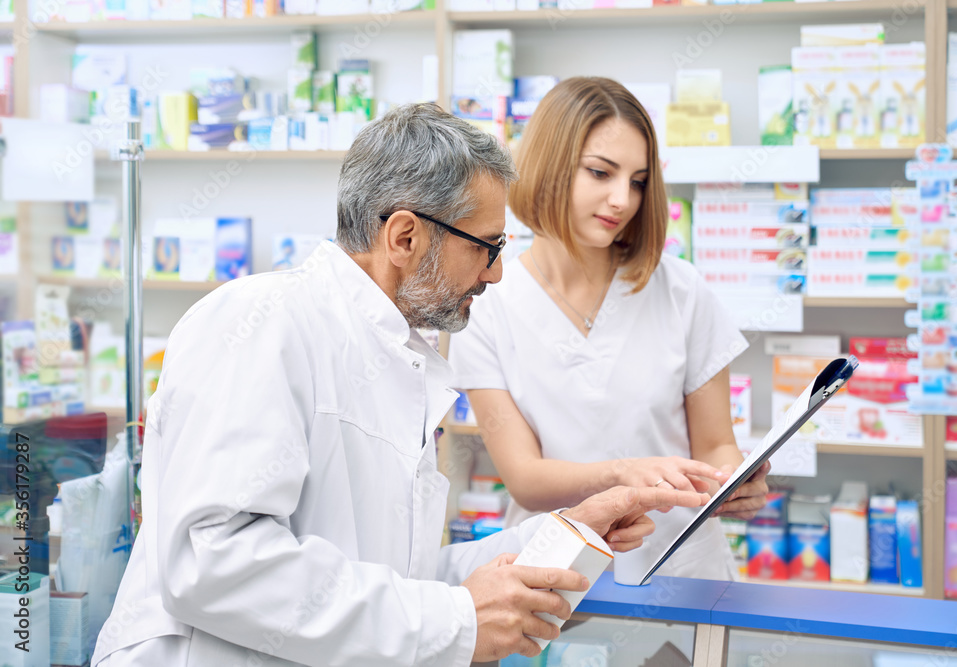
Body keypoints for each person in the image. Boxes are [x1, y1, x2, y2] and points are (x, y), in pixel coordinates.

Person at [92, 103, 710, 667]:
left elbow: (400, 579)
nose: (495, 275)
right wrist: (457, 622)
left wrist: (569, 531)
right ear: (405, 236)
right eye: (487, 248)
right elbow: (213, 562)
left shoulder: (397, 356)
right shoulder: (263, 321)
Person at [448, 78, 768, 581]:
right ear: (548, 167)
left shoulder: (681, 290)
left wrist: (734, 480)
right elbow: (525, 479)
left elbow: (715, 446)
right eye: (601, 172)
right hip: (557, 572)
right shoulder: (488, 301)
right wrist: (623, 476)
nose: (622, 199)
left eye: (638, 181)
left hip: (682, 569)